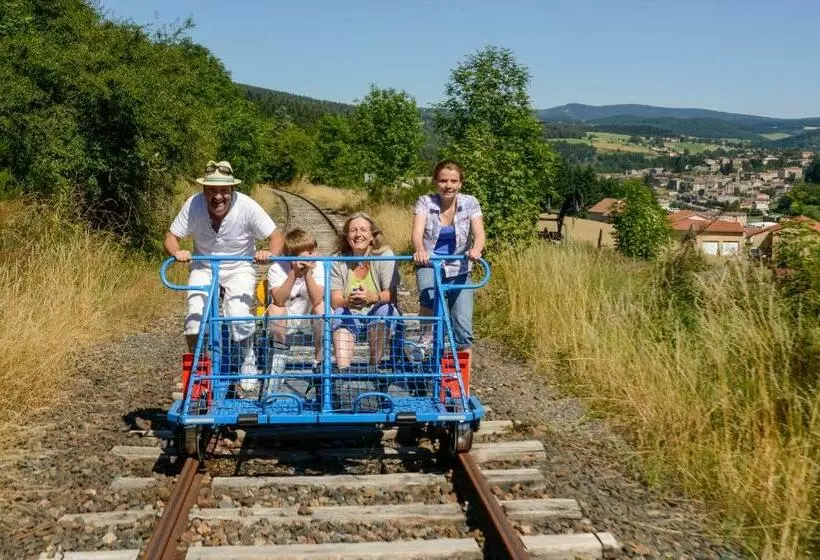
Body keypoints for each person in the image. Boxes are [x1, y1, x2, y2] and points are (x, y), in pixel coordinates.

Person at [164, 160, 284, 394]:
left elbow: (276, 235)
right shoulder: (193, 205)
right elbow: (170, 236)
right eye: (212, 190)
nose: (218, 196)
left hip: (239, 266)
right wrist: (177, 252)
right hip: (205, 265)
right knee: (194, 319)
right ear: (204, 190)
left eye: (223, 191)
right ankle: (201, 368)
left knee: (238, 316)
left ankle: (247, 361)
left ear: (232, 191)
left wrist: (269, 253)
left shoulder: (247, 206)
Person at [411, 159, 485, 353]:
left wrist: (476, 249)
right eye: (443, 181)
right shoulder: (425, 202)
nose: (448, 186)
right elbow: (417, 233)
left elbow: (479, 233)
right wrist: (420, 249)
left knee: (462, 323)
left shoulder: (470, 203)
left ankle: (462, 375)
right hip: (430, 263)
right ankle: (426, 337)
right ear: (436, 182)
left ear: (460, 183)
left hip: (459, 266)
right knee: (429, 295)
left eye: (453, 181)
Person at [330, 212, 400, 374]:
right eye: (353, 230)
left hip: (376, 310)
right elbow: (335, 300)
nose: (358, 234)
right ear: (347, 237)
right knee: (339, 313)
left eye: (363, 230)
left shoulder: (384, 255)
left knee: (385, 312)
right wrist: (349, 301)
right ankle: (343, 371)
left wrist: (372, 297)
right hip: (350, 311)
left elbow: (391, 295)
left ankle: (373, 368)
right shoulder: (337, 260)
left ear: (371, 236)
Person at [265, 228, 325, 379]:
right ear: (290, 257)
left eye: (312, 252)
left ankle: (319, 362)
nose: (310, 258)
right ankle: (279, 360)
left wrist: (307, 274)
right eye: (304, 255)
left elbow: (317, 299)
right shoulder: (277, 268)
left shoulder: (319, 266)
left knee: (322, 308)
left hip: (309, 317)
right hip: (287, 318)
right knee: (276, 309)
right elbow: (279, 300)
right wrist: (294, 274)